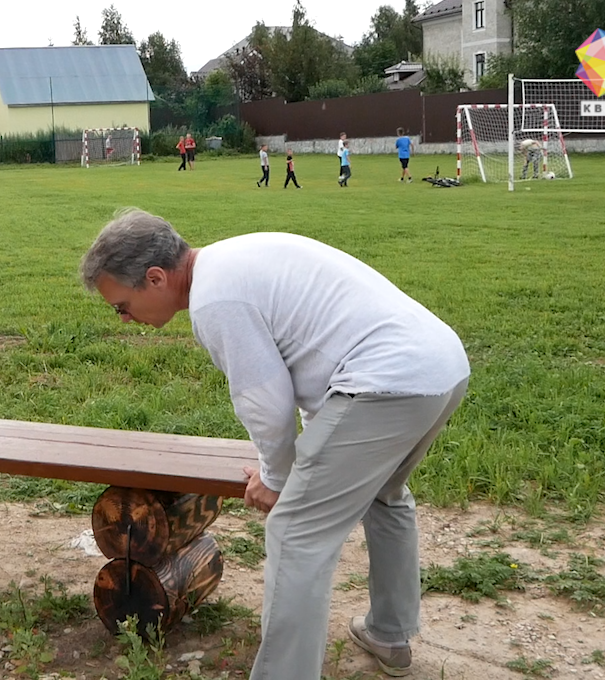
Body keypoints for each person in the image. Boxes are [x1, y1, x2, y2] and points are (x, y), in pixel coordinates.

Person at [79, 210, 470, 680]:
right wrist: (292, 465)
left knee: (296, 532)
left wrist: (278, 478)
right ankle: (389, 633)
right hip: (439, 368)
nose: (124, 319)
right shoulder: (231, 260)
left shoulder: (214, 300)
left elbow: (265, 400)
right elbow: (314, 365)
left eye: (121, 305)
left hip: (386, 381)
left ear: (156, 278)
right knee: (384, 497)